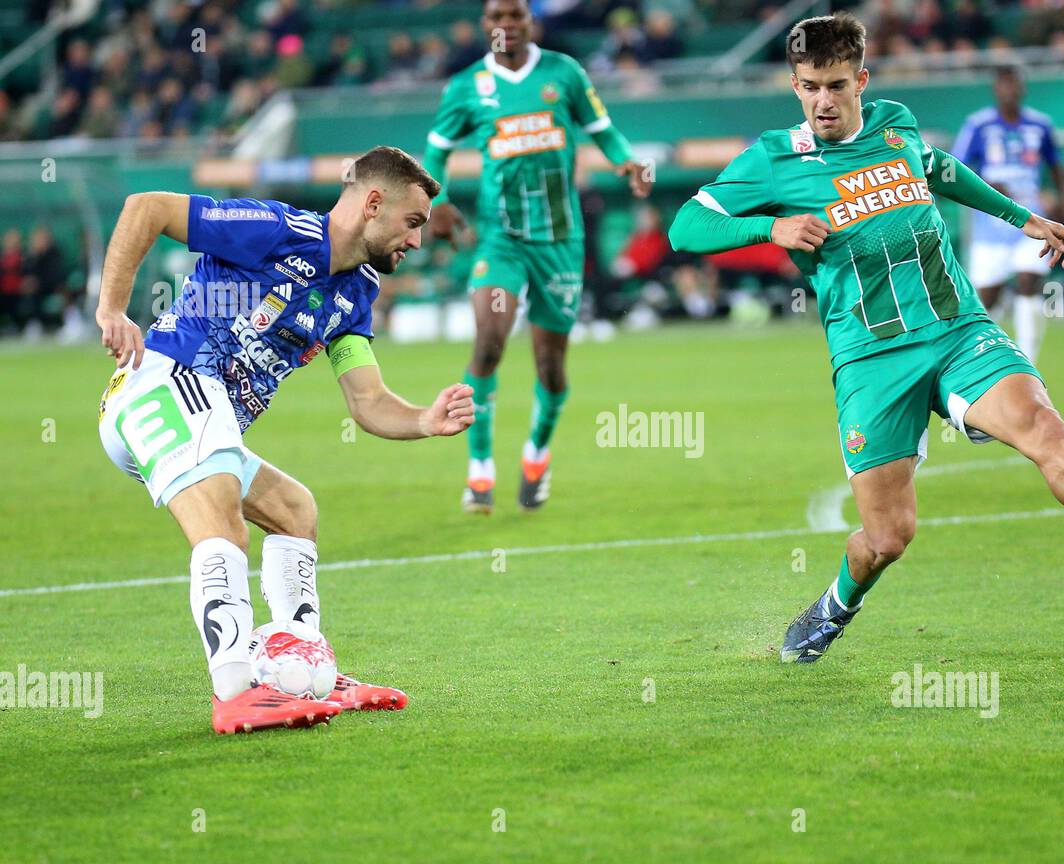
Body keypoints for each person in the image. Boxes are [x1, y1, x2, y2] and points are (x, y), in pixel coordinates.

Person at [668, 13, 1064, 665]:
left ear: (861, 79)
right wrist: (767, 231)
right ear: (794, 85)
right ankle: (836, 605)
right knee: (889, 537)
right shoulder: (774, 160)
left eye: (835, 85)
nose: (822, 101)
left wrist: (1023, 216)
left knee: (1041, 425)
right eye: (809, 87)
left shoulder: (897, 125)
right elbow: (685, 227)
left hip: (956, 328)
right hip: (870, 359)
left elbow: (939, 169)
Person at [94, 146, 475, 732]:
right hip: (163, 383)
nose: (418, 241)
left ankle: (301, 665)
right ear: (373, 204)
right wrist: (113, 309)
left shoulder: (357, 292)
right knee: (224, 527)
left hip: (202, 411)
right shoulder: (277, 230)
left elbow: (368, 401)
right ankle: (237, 689)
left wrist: (425, 419)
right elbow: (147, 206)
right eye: (413, 222)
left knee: (295, 510)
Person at [422, 0, 651, 514]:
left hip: (559, 240)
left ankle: (536, 453)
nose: (505, 26)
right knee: (488, 343)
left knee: (550, 366)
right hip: (501, 240)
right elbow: (435, 151)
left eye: (515, 17)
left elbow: (603, 130)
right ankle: (479, 469)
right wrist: (436, 200)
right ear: (484, 25)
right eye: (496, 18)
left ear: (531, 23)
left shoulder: (563, 73)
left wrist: (627, 162)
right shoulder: (465, 87)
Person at [951, 64, 1064, 363]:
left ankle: (1028, 361)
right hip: (991, 223)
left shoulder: (1039, 125)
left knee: (1029, 280)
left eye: (1015, 83)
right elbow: (954, 169)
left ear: (1023, 87)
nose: (1010, 89)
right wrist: (988, 184)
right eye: (1004, 84)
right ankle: (982, 363)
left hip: (1031, 220)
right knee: (987, 300)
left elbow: (1057, 168)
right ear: (995, 89)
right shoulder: (978, 125)